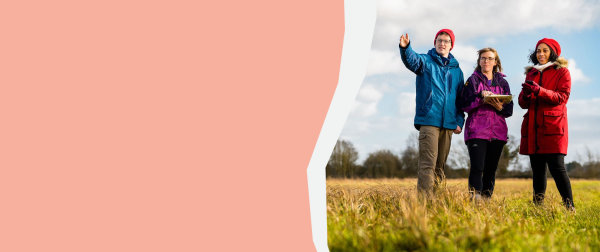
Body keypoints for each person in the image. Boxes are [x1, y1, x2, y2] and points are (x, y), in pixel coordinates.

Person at [399, 29, 465, 194]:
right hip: (429, 119)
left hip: (449, 123)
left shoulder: (457, 71)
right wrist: (406, 48)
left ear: (451, 46)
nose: (442, 43)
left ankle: (437, 201)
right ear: (435, 43)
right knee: (428, 164)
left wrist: (459, 121)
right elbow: (412, 61)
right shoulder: (425, 61)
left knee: (440, 166)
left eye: (446, 41)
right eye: (439, 40)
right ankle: (425, 203)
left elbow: (460, 100)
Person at [519, 38, 575, 210]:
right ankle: (537, 206)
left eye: (544, 50)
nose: (541, 54)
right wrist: (527, 94)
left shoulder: (562, 72)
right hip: (533, 127)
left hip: (553, 127)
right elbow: (522, 103)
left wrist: (538, 90)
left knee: (557, 168)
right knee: (537, 170)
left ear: (552, 52)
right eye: (538, 51)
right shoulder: (531, 73)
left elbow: (562, 98)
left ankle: (569, 206)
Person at [460, 48, 513, 200]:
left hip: (498, 132)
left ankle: (486, 201)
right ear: (479, 61)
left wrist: (499, 107)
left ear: (495, 62)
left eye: (490, 58)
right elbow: (464, 105)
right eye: (483, 58)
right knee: (477, 168)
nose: (486, 61)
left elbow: (509, 111)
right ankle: (475, 201)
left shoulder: (503, 83)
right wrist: (480, 98)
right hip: (477, 131)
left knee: (490, 170)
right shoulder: (472, 80)